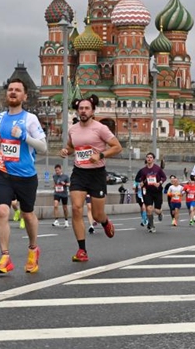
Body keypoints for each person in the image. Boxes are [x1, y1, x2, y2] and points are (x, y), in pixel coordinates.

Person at [0, 78, 47, 274]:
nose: (13, 92)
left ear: (24, 96)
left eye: (17, 90)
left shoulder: (30, 119)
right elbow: (4, 141)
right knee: (1, 212)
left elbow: (43, 147)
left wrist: (24, 136)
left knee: (28, 214)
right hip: (4, 172)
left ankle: (33, 249)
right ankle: (5, 256)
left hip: (26, 175)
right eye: (10, 90)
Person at [59, 94, 120, 262]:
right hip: (79, 172)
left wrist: (101, 154)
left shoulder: (100, 128)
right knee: (77, 208)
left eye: (87, 108)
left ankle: (105, 222)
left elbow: (117, 147)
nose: (83, 111)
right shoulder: (73, 129)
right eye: (81, 109)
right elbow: (71, 147)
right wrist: (66, 151)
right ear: (78, 111)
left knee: (98, 214)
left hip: (97, 174)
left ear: (93, 111)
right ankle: (82, 250)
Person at [135, 153, 167, 233]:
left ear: (153, 159)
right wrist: (141, 182)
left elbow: (164, 177)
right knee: (149, 208)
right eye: (148, 157)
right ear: (146, 159)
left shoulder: (157, 169)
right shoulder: (143, 170)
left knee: (156, 210)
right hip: (147, 191)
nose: (149, 159)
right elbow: (137, 179)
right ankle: (152, 226)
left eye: (151, 157)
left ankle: (160, 213)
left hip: (157, 191)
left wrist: (159, 183)